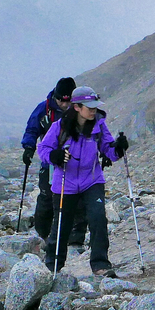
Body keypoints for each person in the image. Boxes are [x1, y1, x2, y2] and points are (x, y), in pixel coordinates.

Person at [36, 85, 129, 276]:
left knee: (97, 219)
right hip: (64, 183)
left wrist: (119, 148)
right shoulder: (59, 127)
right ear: (77, 107)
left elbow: (109, 152)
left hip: (92, 181)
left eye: (95, 106)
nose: (93, 110)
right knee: (62, 224)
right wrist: (55, 156)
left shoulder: (99, 126)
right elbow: (43, 149)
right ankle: (53, 266)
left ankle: (101, 265)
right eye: (89, 106)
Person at [21, 77, 87, 247]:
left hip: (75, 162)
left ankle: (75, 240)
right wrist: (29, 147)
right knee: (46, 198)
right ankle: (43, 235)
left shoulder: (81, 109)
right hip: (50, 162)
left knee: (77, 200)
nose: (64, 105)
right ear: (56, 97)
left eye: (68, 101)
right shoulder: (44, 109)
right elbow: (32, 128)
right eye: (61, 100)